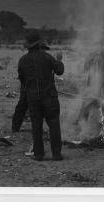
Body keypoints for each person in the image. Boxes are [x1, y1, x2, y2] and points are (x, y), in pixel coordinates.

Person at [18, 33, 64, 161]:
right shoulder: (47, 57)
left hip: (33, 99)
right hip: (49, 97)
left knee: (36, 126)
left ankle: (38, 154)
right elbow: (60, 71)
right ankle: (56, 154)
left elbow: (22, 81)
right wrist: (59, 60)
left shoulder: (22, 61)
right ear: (38, 44)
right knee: (54, 125)